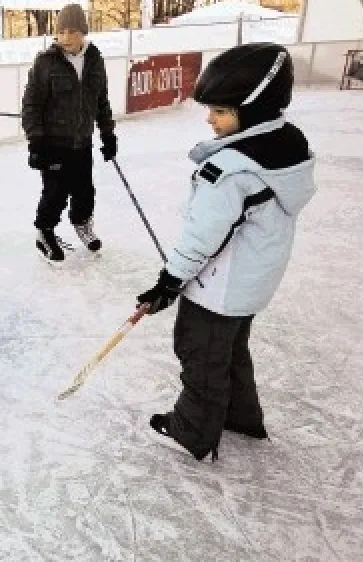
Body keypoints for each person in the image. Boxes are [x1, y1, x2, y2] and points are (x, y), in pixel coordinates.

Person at [135, 43, 316, 461]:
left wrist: (169, 281)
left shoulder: (231, 170)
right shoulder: (286, 144)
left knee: (200, 353)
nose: (209, 119)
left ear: (250, 111)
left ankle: (193, 431)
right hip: (252, 281)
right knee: (231, 351)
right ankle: (241, 416)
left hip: (220, 288)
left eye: (220, 111)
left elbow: (202, 235)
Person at [21, 2, 117, 264]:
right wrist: (36, 141)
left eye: (72, 32)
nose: (65, 38)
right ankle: (45, 231)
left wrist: (108, 134)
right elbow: (31, 104)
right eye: (61, 32)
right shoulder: (45, 62)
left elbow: (102, 100)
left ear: (83, 32)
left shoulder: (95, 59)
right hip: (53, 142)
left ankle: (82, 224)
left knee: (85, 190)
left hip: (82, 140)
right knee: (55, 192)